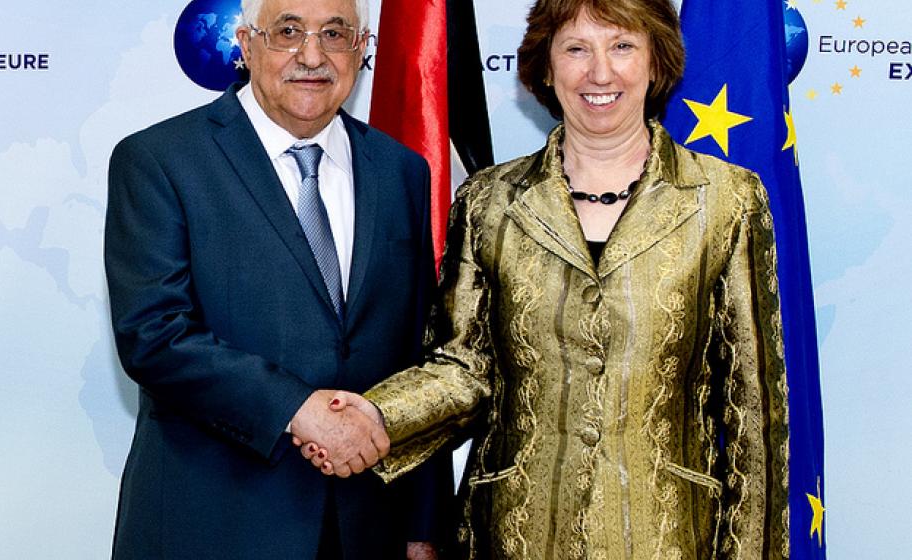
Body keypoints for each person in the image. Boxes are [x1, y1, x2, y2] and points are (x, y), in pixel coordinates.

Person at [302, 0, 790, 557]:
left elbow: (754, 414)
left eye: (623, 46)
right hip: (512, 536)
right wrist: (374, 415)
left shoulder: (726, 200)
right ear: (546, 68)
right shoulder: (490, 201)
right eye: (576, 49)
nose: (600, 72)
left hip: (671, 538)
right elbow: (464, 368)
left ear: (656, 63)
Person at [103, 0, 450, 557]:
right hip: (213, 526)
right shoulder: (159, 160)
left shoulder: (401, 169)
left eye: (334, 34)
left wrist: (423, 524)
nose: (311, 56)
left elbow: (418, 349)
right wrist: (298, 408)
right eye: (288, 31)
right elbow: (155, 335)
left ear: (362, 49)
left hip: (366, 528)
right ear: (245, 43)